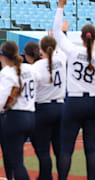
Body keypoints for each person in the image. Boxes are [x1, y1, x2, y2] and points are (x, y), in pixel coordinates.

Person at [53, 1, 95, 179]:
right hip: (92, 103)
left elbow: (57, 34)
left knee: (66, 149)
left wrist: (60, 7)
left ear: (81, 37)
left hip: (73, 102)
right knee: (90, 149)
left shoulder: (73, 51)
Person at [0, 41, 40, 180]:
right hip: (31, 115)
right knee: (16, 158)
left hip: (15, 117)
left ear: (2, 56)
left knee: (16, 161)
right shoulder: (29, 68)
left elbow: (2, 101)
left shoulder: (7, 72)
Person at [31, 35, 67, 180]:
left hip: (43, 108)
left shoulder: (36, 66)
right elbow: (62, 48)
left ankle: (46, 177)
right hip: (61, 106)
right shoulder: (62, 60)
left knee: (43, 150)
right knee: (60, 150)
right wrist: (60, 34)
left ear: (41, 49)